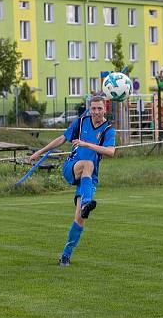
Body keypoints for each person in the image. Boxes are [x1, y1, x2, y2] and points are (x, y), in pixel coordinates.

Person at [28, 95, 116, 266]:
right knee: (88, 163)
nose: (96, 112)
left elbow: (111, 152)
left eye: (99, 108)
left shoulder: (108, 130)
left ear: (105, 108)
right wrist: (39, 152)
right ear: (89, 109)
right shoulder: (81, 121)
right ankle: (87, 202)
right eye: (93, 108)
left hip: (89, 178)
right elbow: (62, 138)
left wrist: (87, 144)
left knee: (80, 219)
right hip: (72, 167)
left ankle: (65, 256)